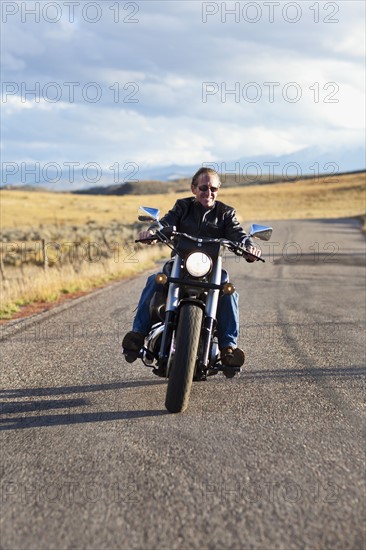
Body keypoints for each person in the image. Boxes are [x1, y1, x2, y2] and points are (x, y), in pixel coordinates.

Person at [122, 167, 261, 366]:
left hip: (211, 271)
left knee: (230, 291)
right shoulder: (182, 207)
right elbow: (164, 223)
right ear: (194, 189)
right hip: (181, 266)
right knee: (154, 280)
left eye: (214, 188)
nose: (209, 192)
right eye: (203, 188)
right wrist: (152, 233)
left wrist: (250, 247)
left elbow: (239, 234)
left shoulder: (226, 213)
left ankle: (228, 348)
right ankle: (137, 335)